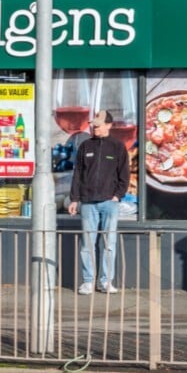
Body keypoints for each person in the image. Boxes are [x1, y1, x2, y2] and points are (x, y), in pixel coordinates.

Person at [66, 108, 129, 294]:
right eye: (94, 126)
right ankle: (88, 281)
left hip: (110, 202)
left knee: (109, 244)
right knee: (87, 244)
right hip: (88, 202)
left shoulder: (118, 147)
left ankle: (106, 281)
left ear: (109, 125)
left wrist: (117, 195)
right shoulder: (85, 146)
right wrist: (74, 199)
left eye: (99, 126)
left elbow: (124, 174)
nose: (95, 128)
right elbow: (78, 174)